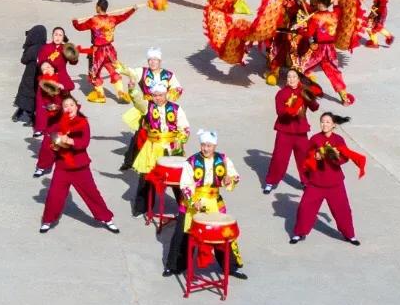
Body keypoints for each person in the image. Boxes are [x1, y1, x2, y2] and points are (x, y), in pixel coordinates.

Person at [163, 130, 246, 279]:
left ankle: (231, 267)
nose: (205, 149)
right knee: (182, 234)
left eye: (209, 145)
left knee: (220, 234)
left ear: (214, 146)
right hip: (193, 201)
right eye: (203, 145)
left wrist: (229, 180)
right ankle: (174, 265)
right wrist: (193, 202)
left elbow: (235, 176)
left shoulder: (223, 159)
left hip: (214, 201)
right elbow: (185, 184)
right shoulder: (192, 161)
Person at [39, 95, 119, 234]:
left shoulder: (83, 122)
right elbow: (50, 138)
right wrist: (54, 141)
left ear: (76, 107)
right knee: (54, 195)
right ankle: (47, 220)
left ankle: (107, 219)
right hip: (62, 168)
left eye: (71, 105)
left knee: (92, 194)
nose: (69, 108)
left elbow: (84, 143)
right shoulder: (58, 124)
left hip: (80, 168)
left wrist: (70, 141)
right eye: (65, 106)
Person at [291, 112, 366, 245]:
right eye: (322, 121)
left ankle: (349, 235)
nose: (324, 124)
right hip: (316, 183)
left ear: (333, 125)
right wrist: (315, 157)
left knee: (343, 210)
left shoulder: (339, 140)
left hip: (335, 183)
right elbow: (307, 157)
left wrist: (336, 157)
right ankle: (299, 233)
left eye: (327, 122)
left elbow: (344, 158)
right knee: (305, 208)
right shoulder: (314, 139)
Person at [124, 74, 190, 216]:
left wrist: (180, 139)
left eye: (160, 95)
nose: (157, 98)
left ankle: (184, 209)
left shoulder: (176, 109)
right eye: (155, 95)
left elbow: (184, 128)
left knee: (178, 180)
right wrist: (133, 89)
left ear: (166, 94)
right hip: (152, 147)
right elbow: (137, 101)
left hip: (171, 148)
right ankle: (141, 208)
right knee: (146, 178)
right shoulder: (148, 106)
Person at [262, 68, 319, 194]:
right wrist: (291, 111)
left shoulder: (303, 91)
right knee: (279, 158)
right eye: (289, 77)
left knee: (304, 158)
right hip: (284, 131)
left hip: (301, 132)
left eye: (294, 77)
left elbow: (314, 107)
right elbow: (280, 112)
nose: (291, 79)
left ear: (298, 79)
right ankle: (271, 181)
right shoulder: (281, 94)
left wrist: (311, 97)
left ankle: (307, 181)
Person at [71, 0, 137, 103]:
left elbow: (79, 27)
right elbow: (124, 16)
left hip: (98, 52)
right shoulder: (112, 19)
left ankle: (100, 95)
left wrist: (74, 21)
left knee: (94, 74)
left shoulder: (93, 20)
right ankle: (121, 93)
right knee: (113, 71)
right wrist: (133, 9)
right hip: (110, 50)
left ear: (98, 7)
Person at [297, 0, 354, 105]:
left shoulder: (315, 18)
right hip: (331, 49)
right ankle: (344, 96)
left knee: (304, 67)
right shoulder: (334, 15)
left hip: (319, 49)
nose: (318, 5)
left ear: (321, 4)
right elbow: (338, 9)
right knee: (333, 72)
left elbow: (309, 33)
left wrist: (300, 30)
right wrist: (336, 2)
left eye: (319, 3)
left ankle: (304, 90)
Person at [12, 24, 47, 125]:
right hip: (39, 77)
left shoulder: (32, 49)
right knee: (34, 96)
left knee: (24, 95)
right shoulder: (45, 47)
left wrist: (27, 49)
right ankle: (25, 115)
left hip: (28, 77)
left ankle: (26, 116)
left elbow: (24, 60)